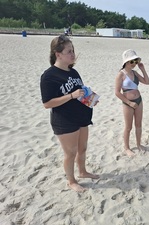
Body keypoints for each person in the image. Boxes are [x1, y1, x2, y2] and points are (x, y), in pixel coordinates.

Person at [40, 35, 99, 192]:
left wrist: (90, 98)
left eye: (73, 50)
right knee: (70, 153)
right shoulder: (49, 76)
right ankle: (71, 181)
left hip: (81, 117)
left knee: (83, 148)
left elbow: (80, 93)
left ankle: (83, 171)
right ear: (58, 54)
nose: (73, 54)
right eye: (69, 51)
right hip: (64, 120)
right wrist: (71, 95)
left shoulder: (73, 72)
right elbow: (47, 103)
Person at [115, 49, 149, 157]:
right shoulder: (121, 74)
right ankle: (127, 148)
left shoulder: (135, 72)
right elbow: (117, 92)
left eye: (135, 61)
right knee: (128, 127)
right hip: (128, 103)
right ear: (126, 62)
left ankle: (139, 144)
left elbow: (147, 82)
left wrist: (143, 69)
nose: (134, 63)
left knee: (138, 124)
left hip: (139, 100)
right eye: (132, 61)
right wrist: (129, 103)